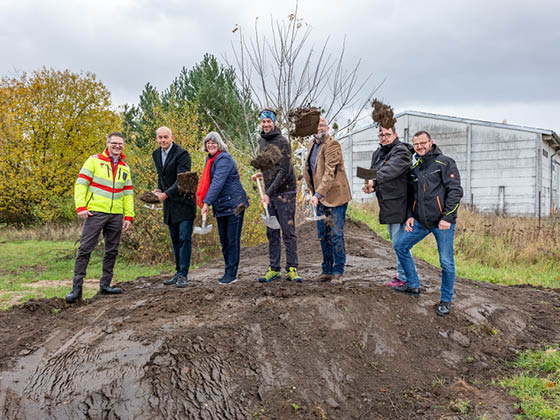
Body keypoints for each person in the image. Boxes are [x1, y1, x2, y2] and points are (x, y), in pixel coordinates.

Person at [393, 131, 463, 316]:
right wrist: (409, 215)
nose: (419, 147)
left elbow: (455, 191)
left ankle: (446, 300)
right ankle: (413, 285)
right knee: (400, 245)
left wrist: (447, 217)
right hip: (421, 222)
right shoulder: (416, 167)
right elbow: (412, 195)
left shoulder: (445, 162)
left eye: (423, 143)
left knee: (446, 262)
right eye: (416, 144)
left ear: (431, 142)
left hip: (442, 223)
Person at [65, 132, 134, 303]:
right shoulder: (94, 160)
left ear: (123, 146)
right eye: (114, 143)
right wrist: (80, 206)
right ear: (107, 143)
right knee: (85, 249)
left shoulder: (125, 167)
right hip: (95, 212)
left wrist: (129, 216)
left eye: (120, 144)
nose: (117, 146)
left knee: (112, 251)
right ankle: (76, 289)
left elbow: (128, 194)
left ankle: (105, 285)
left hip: (116, 215)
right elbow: (81, 184)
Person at [252, 109, 301, 283]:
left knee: (288, 232)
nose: (266, 124)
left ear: (274, 123)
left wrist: (268, 193)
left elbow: (284, 171)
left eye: (269, 121)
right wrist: (261, 174)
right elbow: (268, 164)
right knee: (272, 232)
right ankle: (274, 269)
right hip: (271, 192)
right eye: (263, 121)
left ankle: (292, 268)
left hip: (286, 192)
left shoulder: (283, 142)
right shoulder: (261, 141)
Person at [363, 124, 412, 287]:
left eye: (387, 134)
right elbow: (372, 172)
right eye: (381, 134)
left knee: (400, 243)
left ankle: (405, 277)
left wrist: (374, 180)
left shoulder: (401, 151)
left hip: (400, 202)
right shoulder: (378, 152)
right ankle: (405, 274)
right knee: (396, 241)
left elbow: (390, 170)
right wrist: (369, 185)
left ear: (395, 135)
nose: (384, 137)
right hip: (386, 202)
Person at [304, 117, 352, 285]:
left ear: (327, 127)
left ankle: (338, 271)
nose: (320, 128)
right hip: (319, 198)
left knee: (336, 235)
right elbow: (311, 169)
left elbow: (329, 173)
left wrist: (318, 195)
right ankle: (327, 270)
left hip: (335, 198)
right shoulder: (312, 144)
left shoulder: (333, 145)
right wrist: (310, 187)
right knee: (323, 234)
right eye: (317, 125)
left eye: (322, 125)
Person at [197, 131, 249, 284]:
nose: (210, 144)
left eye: (213, 142)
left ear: (219, 144)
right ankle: (228, 270)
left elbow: (217, 183)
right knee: (224, 241)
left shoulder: (224, 159)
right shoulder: (210, 159)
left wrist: (206, 202)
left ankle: (232, 274)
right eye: (208, 142)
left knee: (232, 240)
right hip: (221, 206)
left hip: (235, 205)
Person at [152, 126, 196, 288]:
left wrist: (165, 194)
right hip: (170, 205)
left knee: (185, 238)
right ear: (157, 139)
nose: (163, 140)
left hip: (184, 202)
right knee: (175, 239)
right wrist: (158, 189)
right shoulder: (156, 154)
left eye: (166, 137)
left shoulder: (182, 154)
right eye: (160, 137)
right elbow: (161, 176)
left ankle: (183, 274)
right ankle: (177, 272)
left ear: (172, 137)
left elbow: (182, 179)